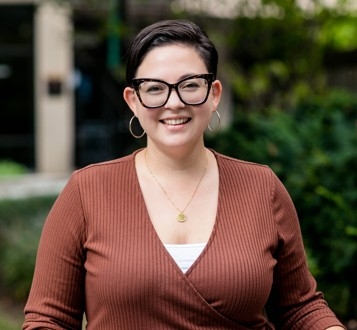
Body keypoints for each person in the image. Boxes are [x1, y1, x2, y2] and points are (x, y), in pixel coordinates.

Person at [23, 19, 345, 330]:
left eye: (190, 85)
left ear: (214, 93)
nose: (173, 103)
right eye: (154, 89)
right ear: (133, 101)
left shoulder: (262, 188)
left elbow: (299, 307)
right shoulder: (86, 191)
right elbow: (48, 321)